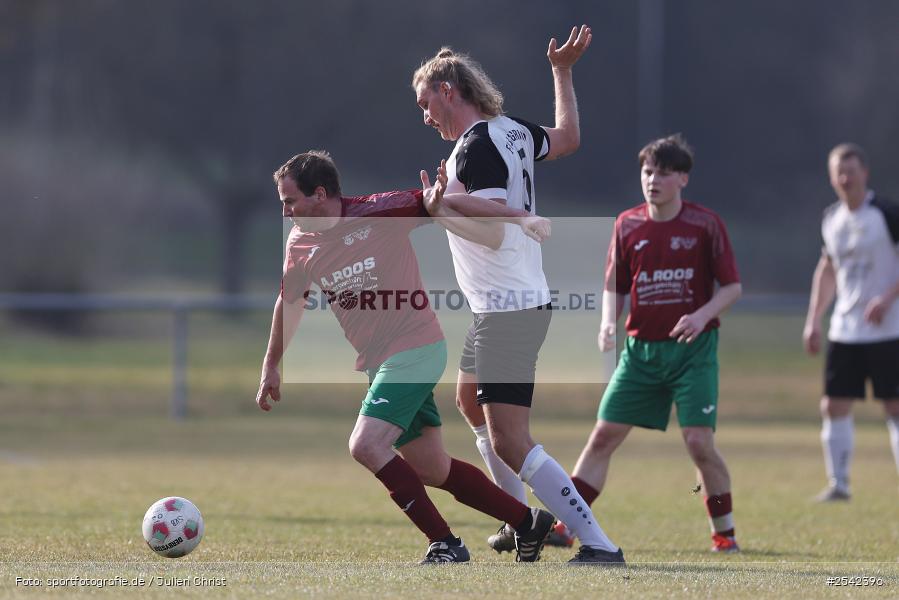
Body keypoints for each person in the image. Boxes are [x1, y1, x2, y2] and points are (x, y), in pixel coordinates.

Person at [256, 150, 557, 564]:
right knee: (433, 469)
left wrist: (516, 216)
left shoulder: (381, 211)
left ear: (320, 194)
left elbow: (443, 204)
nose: (286, 212)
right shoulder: (300, 243)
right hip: (381, 362)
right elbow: (289, 302)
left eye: (290, 201)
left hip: (416, 348)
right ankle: (528, 522)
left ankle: (446, 544)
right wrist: (272, 364)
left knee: (364, 445)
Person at [412, 26, 625, 565]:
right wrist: (562, 73)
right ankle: (519, 519)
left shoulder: (475, 148)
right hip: (503, 303)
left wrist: (442, 213)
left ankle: (595, 541)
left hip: (509, 305)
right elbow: (570, 138)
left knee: (511, 438)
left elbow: (490, 232)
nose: (425, 116)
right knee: (468, 403)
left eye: (425, 103)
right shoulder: (510, 131)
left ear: (447, 89)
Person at [564, 134, 743, 553]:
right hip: (640, 353)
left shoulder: (705, 225)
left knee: (699, 444)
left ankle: (725, 534)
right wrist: (608, 322)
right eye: (647, 172)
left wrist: (701, 316)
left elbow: (732, 287)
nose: (653, 180)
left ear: (682, 178)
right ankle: (565, 526)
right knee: (602, 436)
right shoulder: (627, 224)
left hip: (692, 354)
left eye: (663, 173)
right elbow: (614, 286)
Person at [802, 143, 899, 502]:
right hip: (846, 328)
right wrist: (814, 319)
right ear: (831, 178)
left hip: (889, 328)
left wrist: (887, 298)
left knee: (894, 405)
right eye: (838, 172)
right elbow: (827, 270)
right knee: (834, 404)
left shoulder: (886, 213)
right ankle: (839, 484)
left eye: (851, 171)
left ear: (865, 173)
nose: (845, 178)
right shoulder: (832, 218)